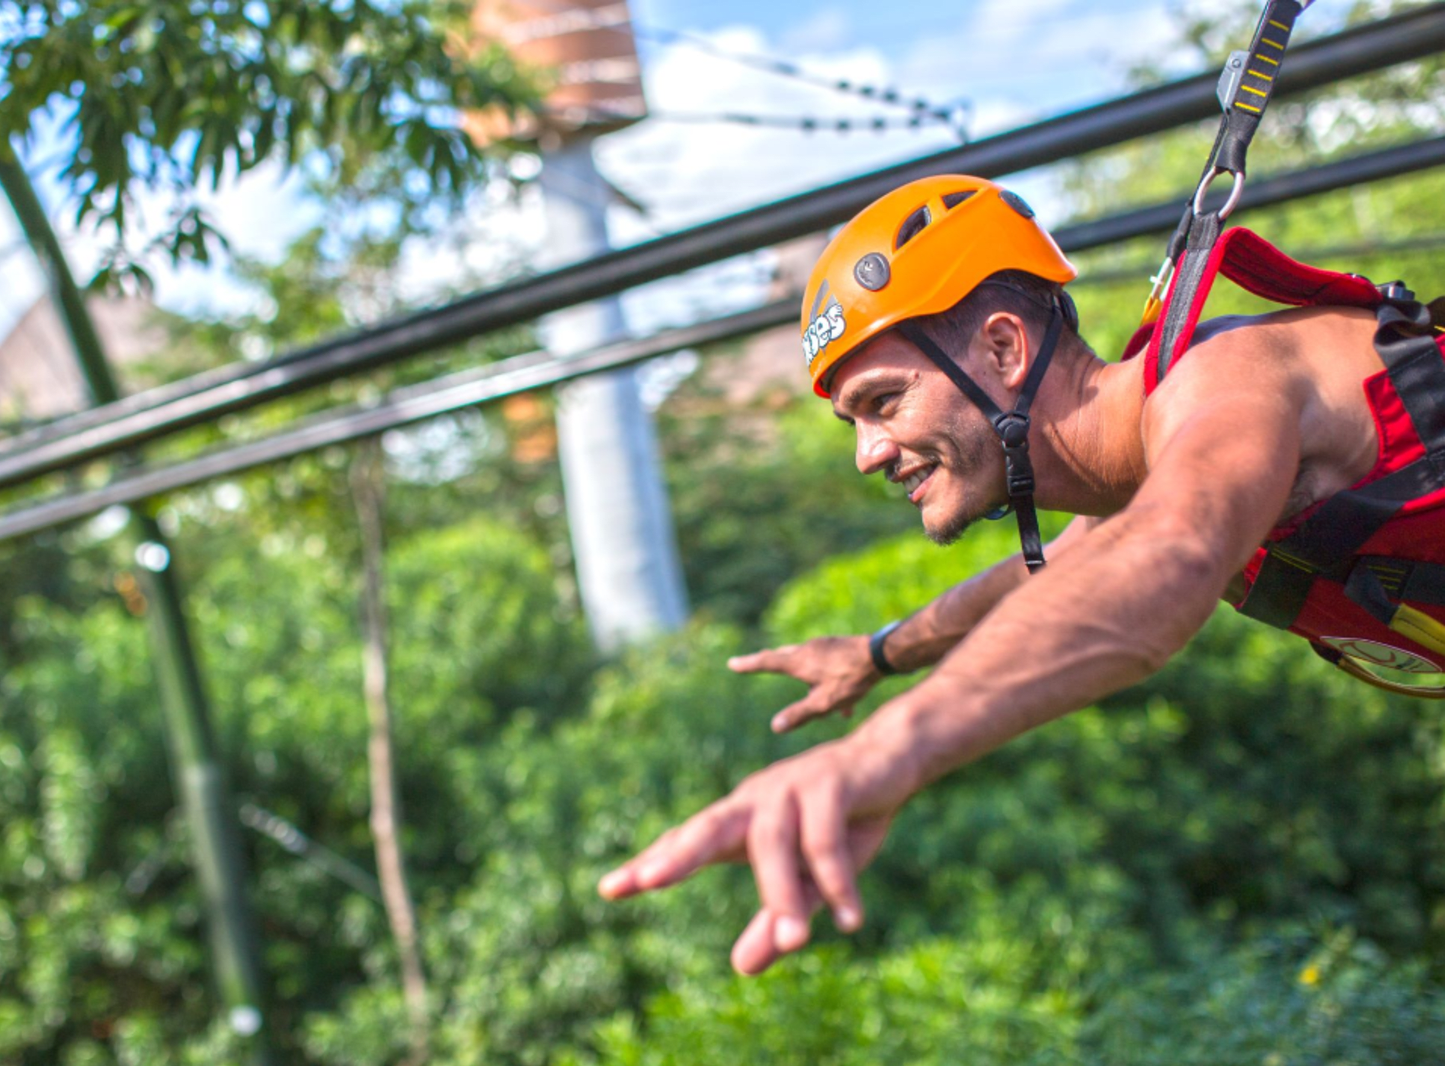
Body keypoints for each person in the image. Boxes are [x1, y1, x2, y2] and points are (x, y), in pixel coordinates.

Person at [597, 173, 1445, 976]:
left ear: (1003, 347)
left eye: (883, 403)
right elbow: (1045, 574)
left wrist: (882, 753)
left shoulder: (1223, 386)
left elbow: (1170, 553)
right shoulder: (1143, 475)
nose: (866, 456)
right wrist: (881, 652)